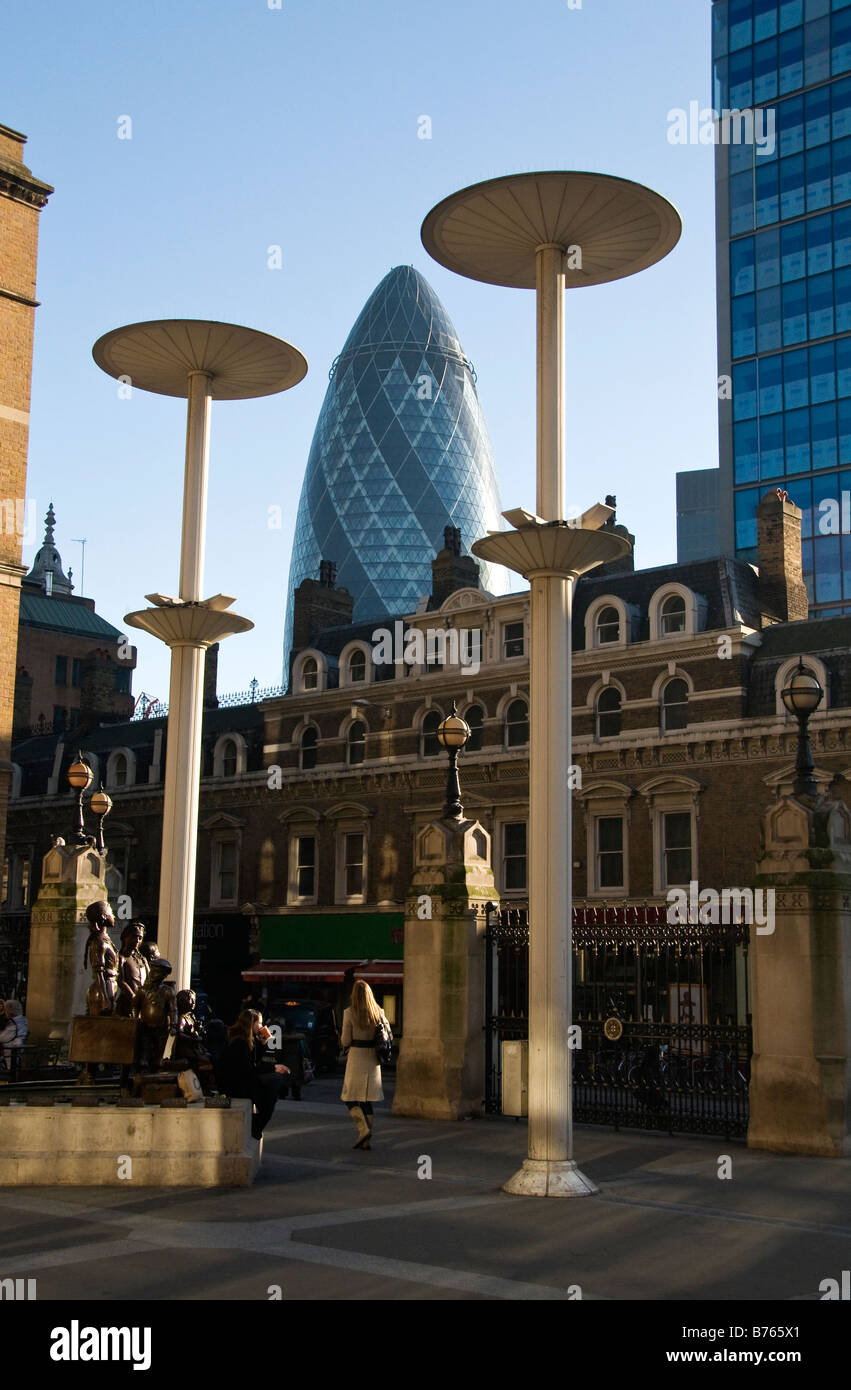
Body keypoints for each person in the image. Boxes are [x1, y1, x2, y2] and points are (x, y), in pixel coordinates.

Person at [215, 1010, 289, 1141]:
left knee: (274, 1085)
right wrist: (273, 1068)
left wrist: (262, 1044)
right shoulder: (240, 1042)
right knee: (274, 1084)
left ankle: (257, 1123)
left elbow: (254, 1063)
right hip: (235, 1085)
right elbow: (250, 1068)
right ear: (252, 1023)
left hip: (242, 1080)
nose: (261, 1026)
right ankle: (256, 1126)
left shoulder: (247, 1040)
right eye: (259, 1022)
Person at [340, 980, 391, 1151]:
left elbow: (345, 1040)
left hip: (356, 1057)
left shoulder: (349, 1013)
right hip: (373, 1060)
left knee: (350, 1097)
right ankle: (366, 1140)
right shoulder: (379, 1012)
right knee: (367, 1100)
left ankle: (363, 1131)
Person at [0, 999, 27, 1063]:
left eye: (5, 1010)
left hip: (11, 1052)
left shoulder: (14, 1023)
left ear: (10, 1011)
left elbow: (3, 1038)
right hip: (14, 1051)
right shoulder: (21, 1021)